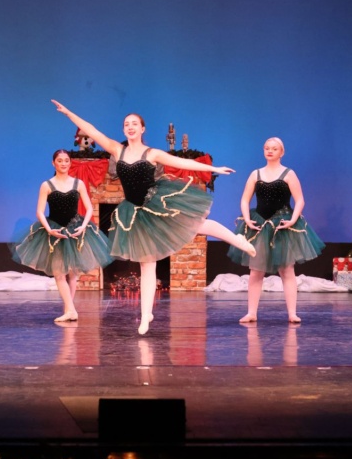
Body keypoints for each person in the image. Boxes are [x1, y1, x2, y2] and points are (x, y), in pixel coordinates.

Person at [51, 100, 256, 335]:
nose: (130, 127)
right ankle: (146, 315)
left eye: (134, 124)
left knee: (198, 224)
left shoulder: (152, 153)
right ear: (124, 129)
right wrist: (68, 113)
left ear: (142, 129)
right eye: (126, 124)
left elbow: (183, 162)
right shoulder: (117, 150)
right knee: (147, 265)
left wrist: (214, 169)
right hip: (134, 212)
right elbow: (92, 130)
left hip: (156, 203)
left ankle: (238, 240)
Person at [228, 137, 325, 324]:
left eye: (274, 148)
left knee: (286, 270)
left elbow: (300, 200)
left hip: (281, 224)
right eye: (267, 148)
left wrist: (293, 220)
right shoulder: (256, 174)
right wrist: (247, 218)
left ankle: (292, 313)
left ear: (282, 152)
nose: (270, 151)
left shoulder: (289, 174)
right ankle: (251, 313)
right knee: (256, 270)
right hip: (260, 224)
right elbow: (245, 199)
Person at [10, 149, 113, 322]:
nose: (63, 163)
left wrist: (84, 226)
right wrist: (49, 230)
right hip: (55, 230)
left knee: (73, 274)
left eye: (66, 160)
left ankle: (69, 309)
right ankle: (71, 310)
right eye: (60, 160)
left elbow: (89, 208)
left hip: (75, 229)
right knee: (59, 273)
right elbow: (39, 212)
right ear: (53, 163)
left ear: (70, 162)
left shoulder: (78, 184)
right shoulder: (47, 185)